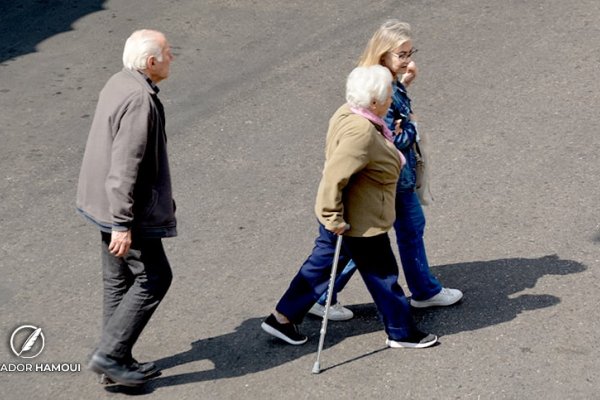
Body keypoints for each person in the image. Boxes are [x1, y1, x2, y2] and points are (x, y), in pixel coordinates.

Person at [261, 65, 438, 349]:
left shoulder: (348, 113)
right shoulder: (361, 133)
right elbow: (334, 176)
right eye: (387, 97)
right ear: (373, 102)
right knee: (383, 276)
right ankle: (401, 332)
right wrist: (333, 218)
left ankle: (282, 318)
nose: (391, 101)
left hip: (346, 214)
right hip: (358, 220)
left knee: (319, 267)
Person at [308, 20, 462, 320]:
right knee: (378, 239)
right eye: (401, 54)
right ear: (383, 55)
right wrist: (413, 129)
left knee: (395, 234)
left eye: (409, 52)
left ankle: (421, 290)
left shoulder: (386, 82)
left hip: (390, 179)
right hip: (387, 179)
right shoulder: (381, 88)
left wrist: (405, 84)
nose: (408, 59)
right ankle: (422, 292)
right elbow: (390, 138)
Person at [76, 29, 176, 387]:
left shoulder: (119, 82)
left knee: (118, 280)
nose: (171, 58)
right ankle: (110, 355)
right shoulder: (139, 100)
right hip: (126, 209)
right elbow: (126, 165)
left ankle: (113, 362)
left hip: (101, 202)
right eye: (168, 52)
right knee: (155, 277)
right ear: (151, 62)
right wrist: (122, 223)